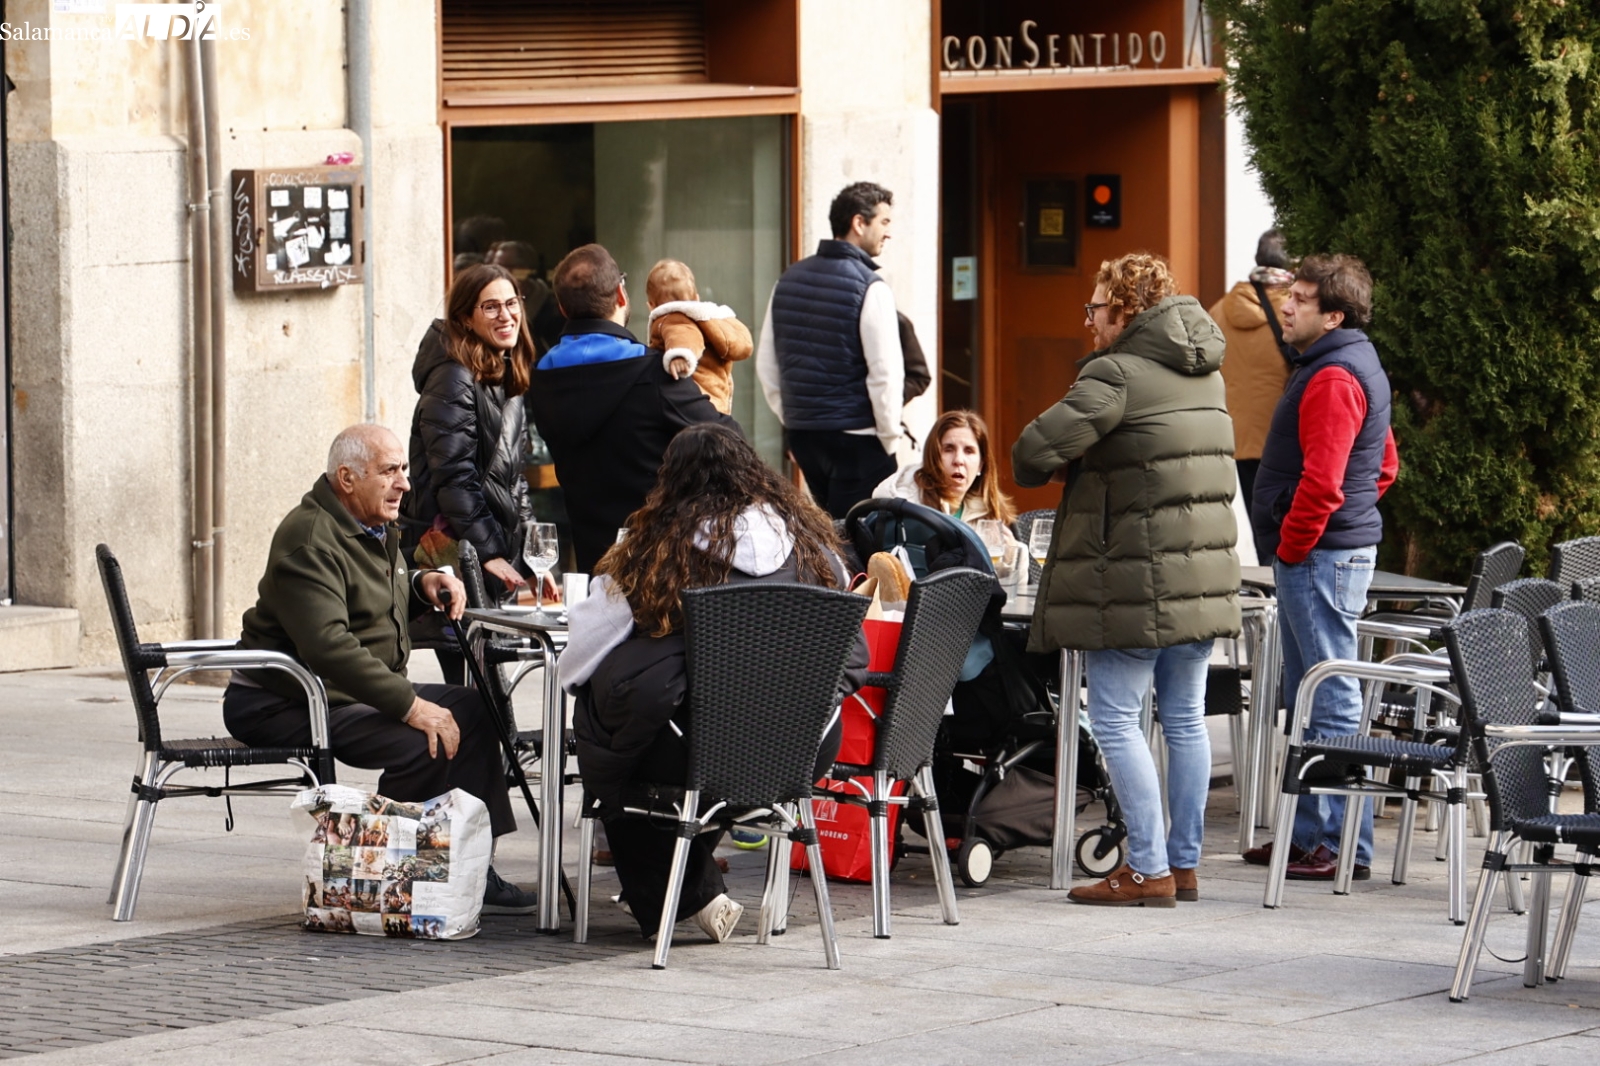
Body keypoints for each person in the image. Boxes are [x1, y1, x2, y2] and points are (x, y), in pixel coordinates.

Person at [559, 423, 868, 943]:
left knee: (614, 736)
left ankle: (684, 897)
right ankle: (691, 890)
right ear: (755, 474)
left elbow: (579, 656)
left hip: (694, 751)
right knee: (666, 738)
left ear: (671, 483)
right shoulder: (816, 550)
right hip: (802, 748)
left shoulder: (654, 553)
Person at [222, 425, 537, 913]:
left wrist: (421, 582)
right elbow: (328, 645)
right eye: (390, 471)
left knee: (472, 710)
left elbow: (370, 590)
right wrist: (411, 706)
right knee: (425, 738)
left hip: (342, 692)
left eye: (404, 470)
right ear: (346, 478)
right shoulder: (309, 538)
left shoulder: (369, 527)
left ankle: (472, 864)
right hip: (285, 701)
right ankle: (387, 870)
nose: (405, 484)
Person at [1013, 253, 1241, 907]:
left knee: (1114, 718)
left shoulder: (1116, 374)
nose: (1087, 323)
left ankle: (1146, 868)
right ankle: (1184, 864)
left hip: (1135, 578)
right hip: (1202, 574)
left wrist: (1086, 449)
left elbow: (1030, 455)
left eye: (1094, 309)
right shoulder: (1207, 374)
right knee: (1186, 719)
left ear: (1125, 312)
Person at [1242, 254, 1400, 881]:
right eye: (1289, 294)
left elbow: (1326, 482)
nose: (1286, 304)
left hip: (1318, 556)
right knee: (1312, 696)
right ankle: (1310, 840)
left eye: (1302, 298)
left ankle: (1337, 848)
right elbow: (1382, 467)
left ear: (1333, 314)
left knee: (1329, 699)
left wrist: (1294, 545)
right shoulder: (1344, 363)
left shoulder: (1334, 376)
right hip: (1331, 552)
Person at [526, 244, 737, 572]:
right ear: (621, 296)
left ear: (563, 309)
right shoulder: (652, 373)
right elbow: (729, 440)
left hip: (594, 570)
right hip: (663, 571)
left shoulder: (541, 378)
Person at [400, 263, 538, 683]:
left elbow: (512, 480)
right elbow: (454, 478)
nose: (506, 315)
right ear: (465, 318)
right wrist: (492, 552)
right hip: (454, 557)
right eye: (491, 307)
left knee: (488, 695)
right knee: (475, 694)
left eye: (511, 303)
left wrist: (533, 557)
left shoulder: (502, 372)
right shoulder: (453, 377)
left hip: (483, 555)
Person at [756, 181, 904, 518]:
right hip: (859, 439)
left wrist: (795, 418)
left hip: (805, 437)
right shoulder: (870, 286)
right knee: (865, 544)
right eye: (883, 222)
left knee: (831, 536)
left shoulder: (787, 279)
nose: (889, 233)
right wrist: (889, 438)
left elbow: (767, 366)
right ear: (858, 223)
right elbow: (886, 374)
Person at [872, 409, 1021, 577]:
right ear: (933, 456)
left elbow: (1012, 589)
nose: (958, 460)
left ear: (981, 465)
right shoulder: (906, 508)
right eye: (948, 449)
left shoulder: (989, 512)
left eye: (969, 451)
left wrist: (1012, 557)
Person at [1210, 229, 1295, 513]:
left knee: (1263, 533)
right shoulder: (1297, 311)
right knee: (1291, 532)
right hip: (1285, 438)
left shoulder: (1219, 311)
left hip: (1237, 439)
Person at [645, 258, 754, 416]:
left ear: (651, 306)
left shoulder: (670, 318)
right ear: (696, 298)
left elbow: (684, 335)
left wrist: (680, 355)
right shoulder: (712, 320)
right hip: (719, 400)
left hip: (694, 401)